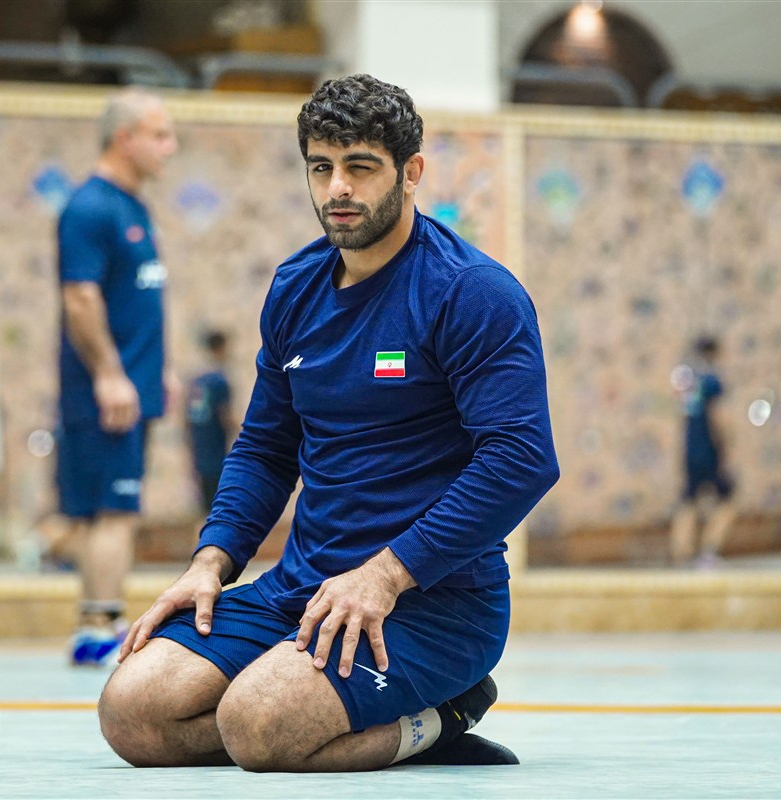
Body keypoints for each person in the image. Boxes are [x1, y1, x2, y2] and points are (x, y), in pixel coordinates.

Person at [98, 74, 559, 772]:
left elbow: (521, 459)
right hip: (302, 585)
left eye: (360, 167)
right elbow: (264, 448)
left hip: (435, 603)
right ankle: (313, 715)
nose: (338, 188)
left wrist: (385, 576)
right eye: (322, 167)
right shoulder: (295, 287)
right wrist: (210, 562)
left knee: (259, 725)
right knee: (132, 713)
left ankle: (444, 715)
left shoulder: (472, 293)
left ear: (411, 173)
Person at [55, 87, 178, 666]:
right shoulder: (90, 208)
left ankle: (95, 621)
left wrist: (160, 370)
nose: (169, 147)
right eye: (160, 135)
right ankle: (100, 627)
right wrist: (109, 374)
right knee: (113, 511)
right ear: (123, 139)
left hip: (135, 384)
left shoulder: (134, 207)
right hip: (108, 393)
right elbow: (79, 297)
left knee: (109, 510)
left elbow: (137, 302)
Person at [670, 335, 735, 567]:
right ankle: (709, 550)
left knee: (688, 499)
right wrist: (726, 444)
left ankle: (681, 552)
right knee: (727, 498)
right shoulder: (711, 381)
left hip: (690, 448)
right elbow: (717, 416)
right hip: (709, 448)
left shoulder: (687, 382)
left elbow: (684, 418)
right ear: (713, 354)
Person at [185, 331, 237, 520]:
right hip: (216, 447)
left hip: (199, 446)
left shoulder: (196, 381)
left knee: (204, 503)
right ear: (221, 348)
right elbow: (225, 415)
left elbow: (187, 417)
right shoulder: (220, 381)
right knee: (219, 503)